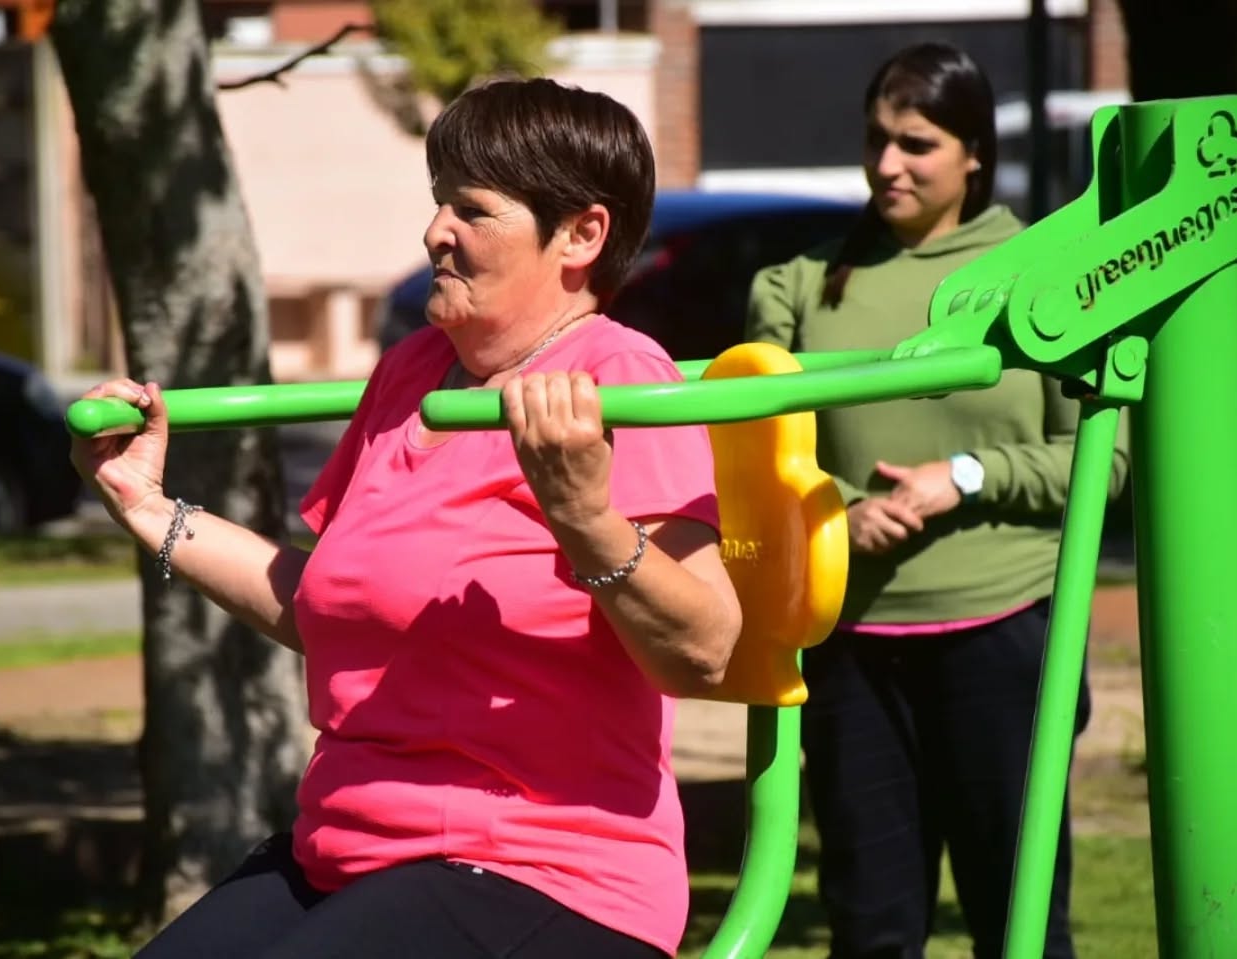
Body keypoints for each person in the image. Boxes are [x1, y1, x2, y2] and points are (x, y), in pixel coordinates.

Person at [72, 77, 742, 959]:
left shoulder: (620, 382)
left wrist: (582, 515)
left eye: (473, 210)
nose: (435, 232)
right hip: (346, 847)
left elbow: (702, 651)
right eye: (438, 202)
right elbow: (329, 605)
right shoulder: (414, 372)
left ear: (581, 234)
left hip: (543, 866)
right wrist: (150, 506)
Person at [746, 42, 1128, 959]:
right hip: (849, 648)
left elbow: (1101, 460)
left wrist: (961, 476)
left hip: (1005, 636)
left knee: (1022, 929)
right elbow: (757, 456)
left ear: (973, 154)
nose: (887, 165)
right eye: (875, 140)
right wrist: (837, 507)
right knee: (871, 932)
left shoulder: (1050, 276)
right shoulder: (797, 285)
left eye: (915, 144)